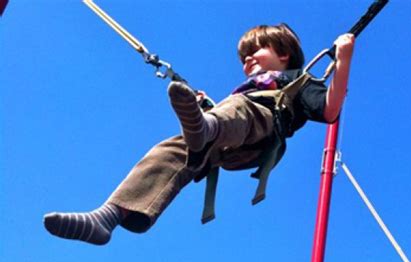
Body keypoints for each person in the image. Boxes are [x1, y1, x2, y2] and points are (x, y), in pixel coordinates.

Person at [43, 23, 355, 245]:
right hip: (226, 143)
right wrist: (207, 108)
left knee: (237, 107)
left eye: (255, 50)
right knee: (170, 150)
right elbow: (233, 115)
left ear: (283, 54)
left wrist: (343, 60)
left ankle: (205, 127)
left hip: (261, 137)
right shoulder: (244, 93)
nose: (247, 60)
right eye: (243, 57)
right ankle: (106, 218)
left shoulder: (297, 81)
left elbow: (330, 110)